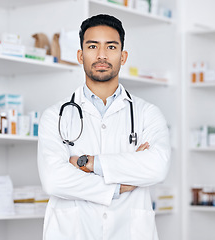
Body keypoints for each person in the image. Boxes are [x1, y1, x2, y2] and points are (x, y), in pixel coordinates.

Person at [38, 14, 171, 240]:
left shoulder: (148, 113)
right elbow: (53, 180)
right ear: (80, 55)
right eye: (92, 46)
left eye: (111, 46)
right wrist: (117, 187)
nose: (101, 55)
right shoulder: (55, 116)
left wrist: (90, 163)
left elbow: (157, 167)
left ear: (123, 55)